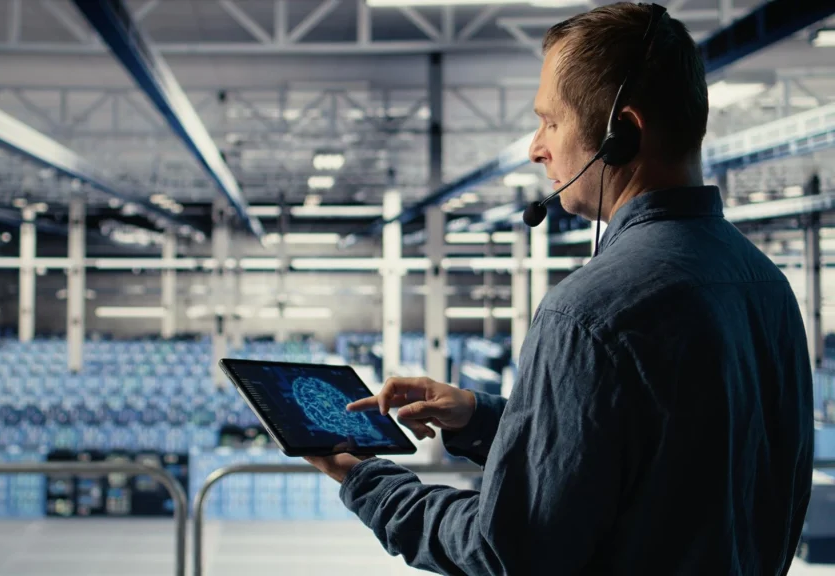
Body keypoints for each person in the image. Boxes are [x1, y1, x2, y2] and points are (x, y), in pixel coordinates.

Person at [303, 3, 815, 574]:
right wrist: (479, 417)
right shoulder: (765, 285)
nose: (535, 147)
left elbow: (506, 552)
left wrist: (367, 480)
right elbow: (663, 463)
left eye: (550, 121)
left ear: (621, 133)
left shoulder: (587, 313)